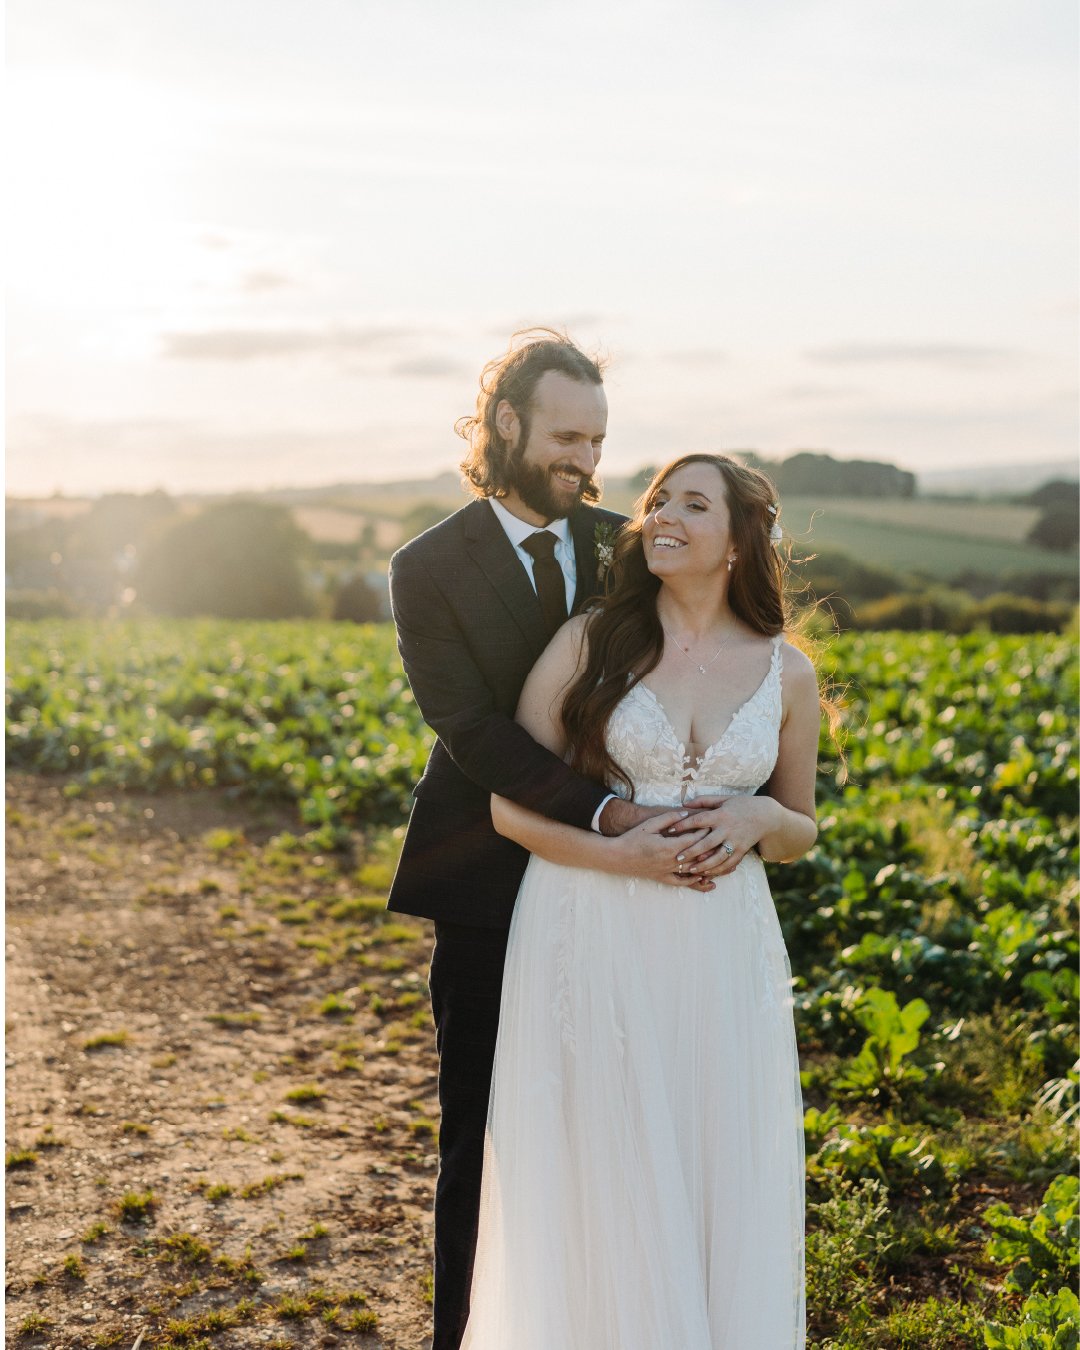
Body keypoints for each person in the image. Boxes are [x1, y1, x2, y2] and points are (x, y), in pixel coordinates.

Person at [386, 332, 713, 1350]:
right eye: (569, 435)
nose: (588, 459)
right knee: (480, 1137)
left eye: (600, 439)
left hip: (628, 895)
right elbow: (472, 731)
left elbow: (710, 652)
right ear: (510, 424)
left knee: (619, 1126)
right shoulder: (427, 567)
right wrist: (609, 814)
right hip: (483, 876)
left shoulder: (627, 545)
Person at [460, 453, 821, 1349]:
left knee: (710, 1157)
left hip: (721, 948)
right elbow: (510, 808)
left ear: (738, 542)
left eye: (692, 504)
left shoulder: (788, 674)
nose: (660, 515)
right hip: (589, 926)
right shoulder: (589, 644)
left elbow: (801, 830)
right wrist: (624, 859)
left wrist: (757, 812)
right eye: (658, 499)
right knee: (600, 1161)